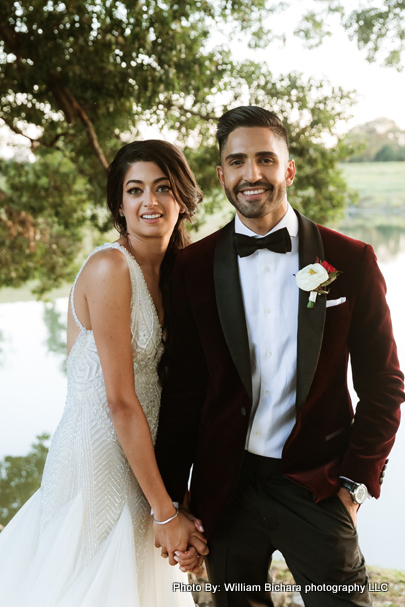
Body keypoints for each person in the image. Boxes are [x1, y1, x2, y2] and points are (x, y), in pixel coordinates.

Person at [155, 107, 404, 607]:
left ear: (288, 169)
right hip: (226, 489)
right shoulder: (191, 266)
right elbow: (183, 393)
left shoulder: (350, 260)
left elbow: (384, 385)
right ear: (221, 174)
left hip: (317, 482)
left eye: (266, 159)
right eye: (238, 161)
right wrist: (174, 502)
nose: (252, 174)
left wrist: (355, 484)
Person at [0, 139, 208, 607]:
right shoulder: (109, 267)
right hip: (99, 458)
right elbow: (118, 400)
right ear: (119, 203)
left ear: (182, 198)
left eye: (163, 188)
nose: (149, 202)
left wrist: (177, 498)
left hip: (146, 458)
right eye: (135, 190)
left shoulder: (178, 272)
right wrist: (163, 511)